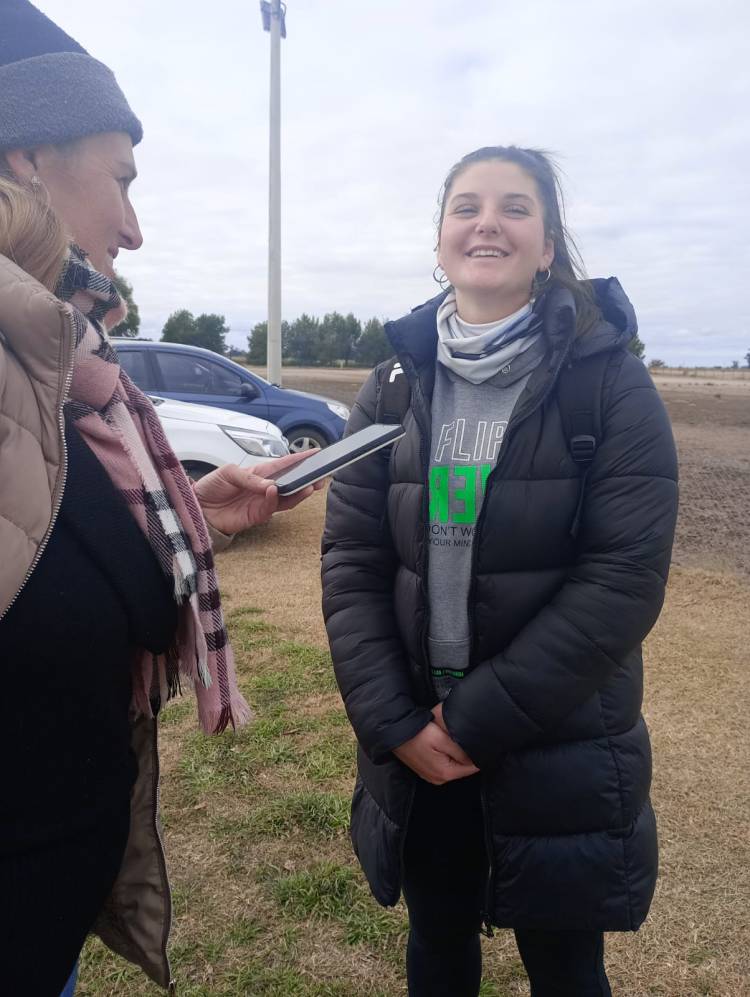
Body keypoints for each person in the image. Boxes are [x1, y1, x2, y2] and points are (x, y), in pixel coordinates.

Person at [0, 3, 320, 994]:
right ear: (24, 162)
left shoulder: (61, 368)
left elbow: (54, 552)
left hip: (44, 911)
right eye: (123, 181)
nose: (135, 227)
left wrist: (193, 519)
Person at [322, 144, 679, 996]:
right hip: (418, 744)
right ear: (441, 238)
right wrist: (396, 721)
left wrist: (473, 719)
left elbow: (622, 579)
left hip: (555, 744)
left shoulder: (612, 385)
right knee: (438, 950)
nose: (488, 222)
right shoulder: (392, 385)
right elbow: (351, 558)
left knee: (565, 966)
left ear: (549, 245)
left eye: (516, 207)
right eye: (466, 206)